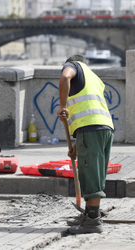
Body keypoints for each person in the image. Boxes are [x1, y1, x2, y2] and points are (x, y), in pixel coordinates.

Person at [57, 54, 114, 234]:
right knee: (93, 172)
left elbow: (65, 76)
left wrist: (62, 105)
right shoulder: (94, 77)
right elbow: (88, 106)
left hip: (91, 128)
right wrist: (77, 146)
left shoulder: (73, 65)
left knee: (91, 174)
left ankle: (93, 221)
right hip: (103, 127)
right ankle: (89, 215)